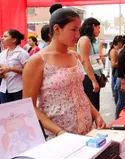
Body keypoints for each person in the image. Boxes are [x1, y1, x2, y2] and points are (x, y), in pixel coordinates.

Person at [22, 8, 106, 140]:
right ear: (57, 29)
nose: (77, 35)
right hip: (59, 134)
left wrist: (96, 114)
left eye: (79, 30)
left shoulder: (75, 56)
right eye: (73, 29)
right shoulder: (37, 61)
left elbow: (79, 92)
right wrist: (59, 132)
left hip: (86, 128)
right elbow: (28, 106)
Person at [77, 17, 104, 111]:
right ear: (93, 26)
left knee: (95, 106)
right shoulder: (85, 40)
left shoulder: (91, 40)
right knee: (92, 108)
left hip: (93, 75)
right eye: (98, 27)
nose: (99, 30)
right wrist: (94, 81)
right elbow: (85, 61)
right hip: (88, 77)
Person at [0, 29, 29, 103]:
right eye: (2, 36)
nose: (2, 38)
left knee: (19, 113)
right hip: (4, 88)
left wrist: (11, 69)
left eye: (5, 36)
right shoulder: (2, 53)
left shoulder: (22, 53)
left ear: (14, 39)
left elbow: (29, 71)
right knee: (6, 112)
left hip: (18, 88)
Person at [109, 35, 124, 104]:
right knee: (117, 91)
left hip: (118, 72)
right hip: (116, 73)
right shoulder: (114, 51)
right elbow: (113, 64)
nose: (121, 45)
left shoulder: (117, 50)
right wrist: (122, 62)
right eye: (119, 44)